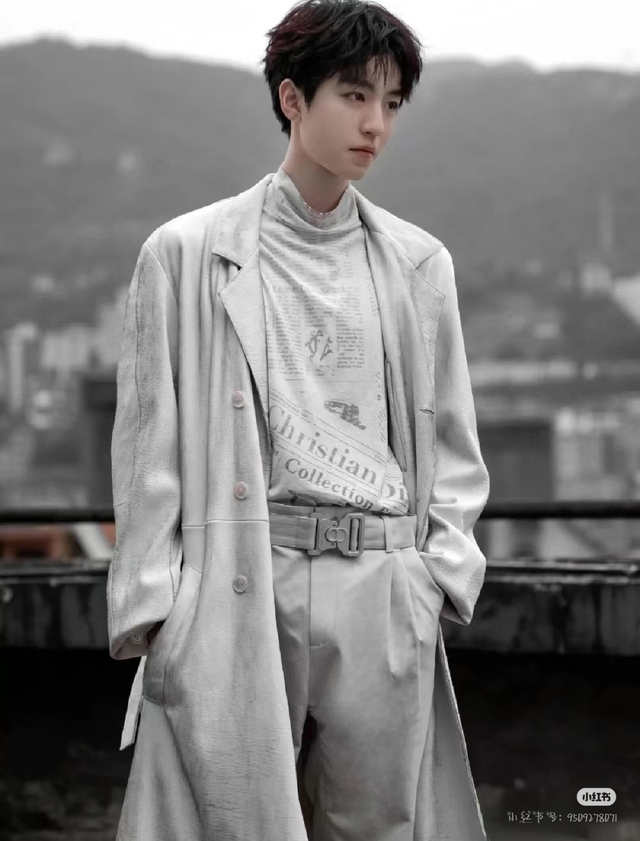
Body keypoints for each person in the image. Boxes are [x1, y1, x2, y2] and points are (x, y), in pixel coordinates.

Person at [107, 0, 490, 838]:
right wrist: (156, 612)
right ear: (292, 98)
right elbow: (146, 446)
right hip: (246, 574)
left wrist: (436, 576)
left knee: (379, 823)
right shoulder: (184, 252)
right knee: (235, 816)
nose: (375, 124)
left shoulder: (419, 263)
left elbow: (454, 440)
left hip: (381, 581)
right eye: (354, 95)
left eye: (391, 102)